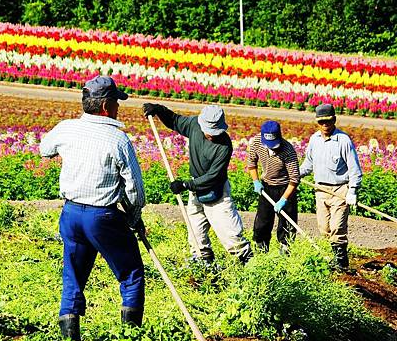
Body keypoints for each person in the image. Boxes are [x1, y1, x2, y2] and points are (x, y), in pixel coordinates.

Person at [40, 76, 146, 341]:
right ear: (106, 106)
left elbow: (44, 149)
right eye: (117, 103)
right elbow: (134, 190)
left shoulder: (67, 128)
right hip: (103, 217)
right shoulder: (118, 140)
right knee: (131, 274)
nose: (119, 108)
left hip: (71, 214)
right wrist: (134, 218)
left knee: (73, 274)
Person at [143, 103, 252, 265]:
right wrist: (159, 110)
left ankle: (250, 266)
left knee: (232, 237)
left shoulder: (224, 146)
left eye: (215, 132)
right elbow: (174, 120)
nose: (211, 135)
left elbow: (213, 176)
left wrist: (185, 185)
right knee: (196, 235)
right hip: (196, 189)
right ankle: (203, 265)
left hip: (217, 193)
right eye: (209, 131)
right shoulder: (195, 125)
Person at [300, 103, 362, 270]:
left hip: (340, 190)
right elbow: (308, 164)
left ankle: (342, 264)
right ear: (317, 123)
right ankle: (332, 260)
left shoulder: (343, 140)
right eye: (321, 122)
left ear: (334, 120)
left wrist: (353, 190)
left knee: (337, 227)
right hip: (321, 190)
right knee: (324, 228)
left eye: (328, 121)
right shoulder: (314, 140)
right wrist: (295, 174)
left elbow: (354, 167)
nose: (325, 125)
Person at [247, 120, 300, 254]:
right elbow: (252, 163)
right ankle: (261, 250)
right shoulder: (257, 142)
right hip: (266, 187)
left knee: (287, 224)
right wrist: (256, 181)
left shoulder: (288, 150)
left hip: (285, 187)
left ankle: (285, 251)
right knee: (262, 222)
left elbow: (294, 179)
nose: (272, 148)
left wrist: (284, 199)